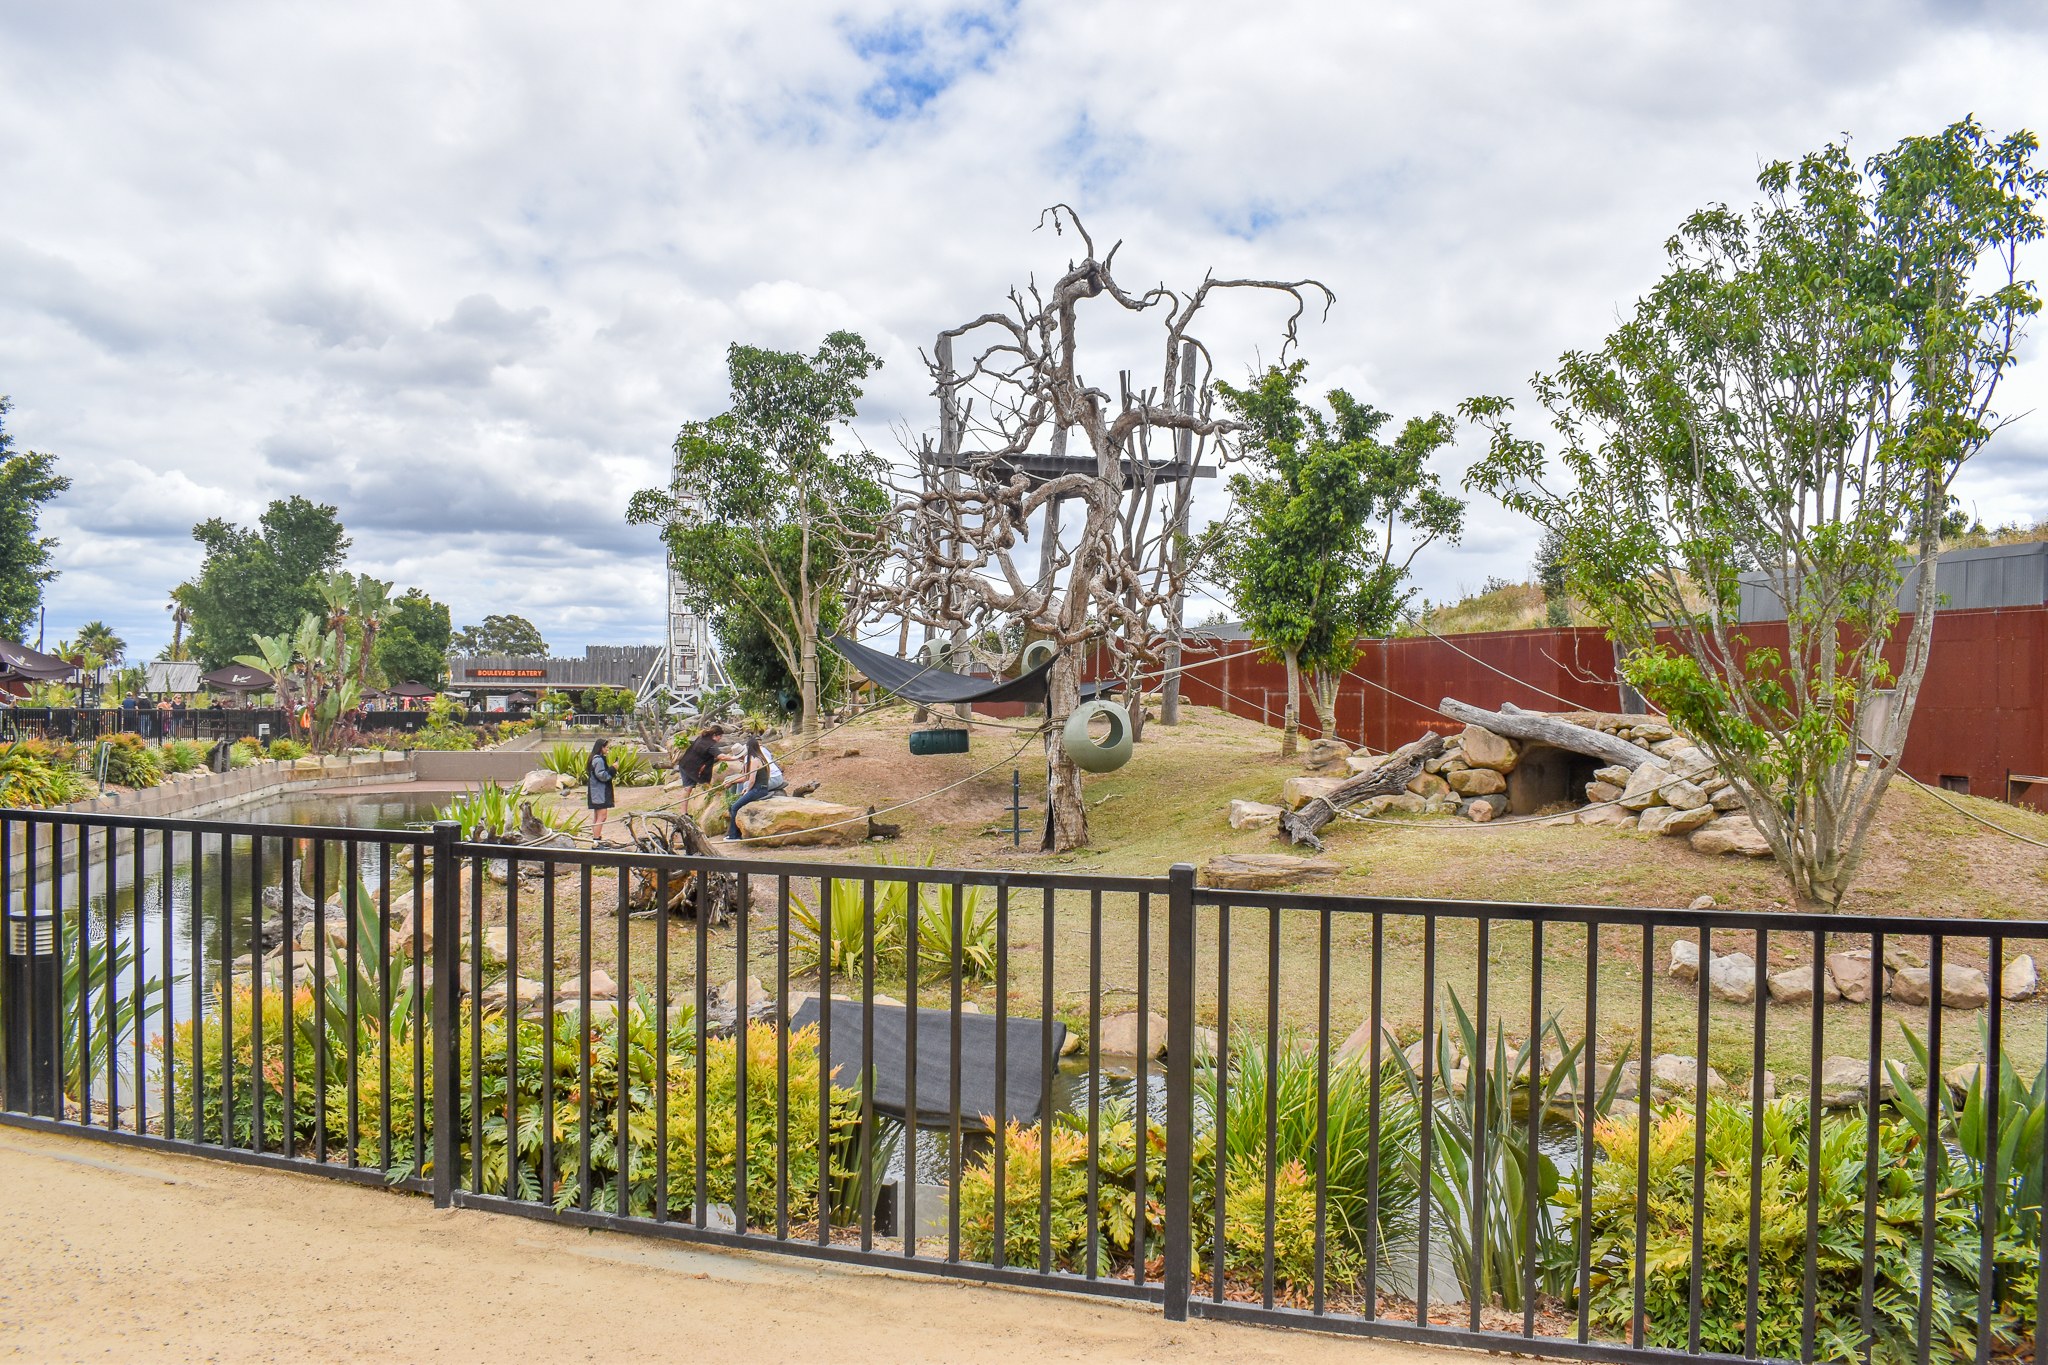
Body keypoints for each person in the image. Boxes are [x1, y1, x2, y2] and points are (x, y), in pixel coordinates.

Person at [721, 734, 786, 841]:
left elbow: (750, 779)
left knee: (735, 807)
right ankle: (734, 833)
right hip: (762, 787)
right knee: (738, 803)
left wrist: (747, 790)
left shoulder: (754, 761)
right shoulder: (761, 757)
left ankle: (734, 835)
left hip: (759, 789)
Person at [585, 738, 617, 842]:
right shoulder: (598, 760)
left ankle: (596, 839)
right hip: (599, 792)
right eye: (606, 747)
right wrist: (613, 769)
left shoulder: (594, 758)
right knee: (602, 816)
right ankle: (596, 840)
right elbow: (602, 775)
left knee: (597, 816)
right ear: (601, 748)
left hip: (596, 792)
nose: (607, 749)